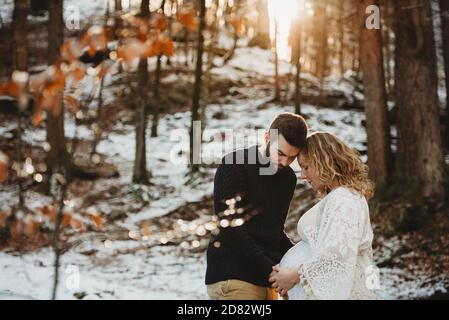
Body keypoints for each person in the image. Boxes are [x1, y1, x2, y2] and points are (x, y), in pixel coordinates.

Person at [205, 113, 308, 300]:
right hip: (233, 274)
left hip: (266, 280)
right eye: (281, 153)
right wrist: (272, 273)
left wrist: (297, 262)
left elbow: (274, 232)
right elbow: (230, 228)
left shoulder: (287, 178)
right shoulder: (234, 165)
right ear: (267, 137)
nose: (285, 162)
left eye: (292, 158)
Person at [269, 132, 377, 300]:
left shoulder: (344, 198)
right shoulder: (340, 196)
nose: (303, 176)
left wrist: (293, 277)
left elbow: (337, 255)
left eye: (306, 167)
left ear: (324, 161)